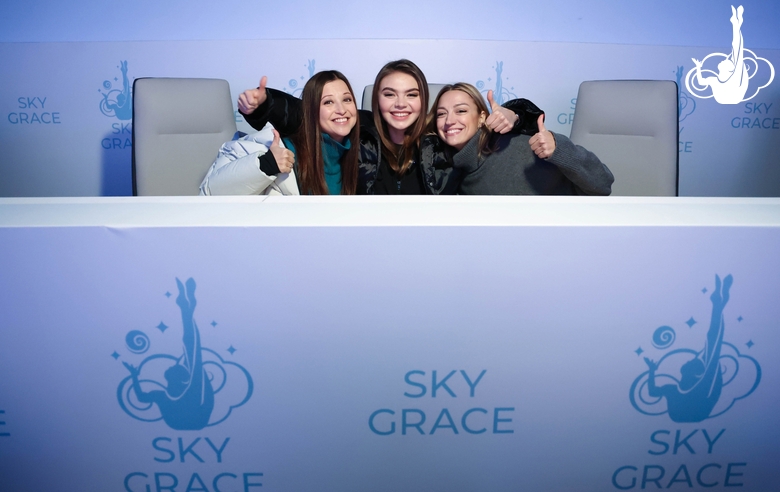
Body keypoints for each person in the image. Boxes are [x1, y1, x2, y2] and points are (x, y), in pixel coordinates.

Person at [238, 59, 521, 194]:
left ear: (424, 101)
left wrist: (516, 115)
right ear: (376, 100)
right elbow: (309, 115)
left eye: (411, 94)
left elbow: (486, 130)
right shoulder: (362, 129)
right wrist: (264, 104)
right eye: (389, 94)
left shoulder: (441, 135)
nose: (400, 104)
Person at [427, 83, 614, 195]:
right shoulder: (447, 168)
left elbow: (603, 184)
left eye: (461, 111)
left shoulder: (519, 147)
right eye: (441, 114)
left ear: (482, 117)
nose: (449, 121)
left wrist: (559, 148)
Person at [202, 70, 359, 195]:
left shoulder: (361, 155)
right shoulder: (279, 149)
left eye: (347, 99)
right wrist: (266, 164)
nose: (341, 110)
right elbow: (211, 192)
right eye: (328, 102)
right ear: (310, 111)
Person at [122, 278, 214, 430]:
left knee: (194, 358)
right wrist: (133, 375)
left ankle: (186, 310)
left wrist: (134, 376)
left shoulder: (163, 395)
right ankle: (187, 311)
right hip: (195, 420)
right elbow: (141, 397)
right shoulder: (177, 393)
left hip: (190, 420)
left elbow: (141, 397)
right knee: (195, 358)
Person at [643, 274, 732, 422]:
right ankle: (718, 305)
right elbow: (652, 392)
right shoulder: (676, 389)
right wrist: (651, 371)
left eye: (689, 363)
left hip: (695, 410)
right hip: (695, 412)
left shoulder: (691, 387)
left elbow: (714, 343)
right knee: (711, 351)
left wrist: (651, 371)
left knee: (712, 349)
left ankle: (718, 306)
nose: (690, 360)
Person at [691, 5, 748, 104]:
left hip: (734, 97)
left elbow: (737, 48)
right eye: (727, 60)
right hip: (724, 99)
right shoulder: (714, 80)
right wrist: (698, 67)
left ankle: (736, 23)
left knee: (737, 51)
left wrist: (736, 26)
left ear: (730, 69)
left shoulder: (735, 77)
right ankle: (735, 23)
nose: (725, 59)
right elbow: (701, 82)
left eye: (728, 61)